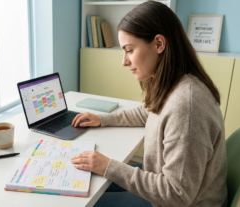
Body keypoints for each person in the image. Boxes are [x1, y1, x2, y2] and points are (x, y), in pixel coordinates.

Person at [71, 1, 228, 207]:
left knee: (86, 201)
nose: (124, 61)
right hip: (165, 183)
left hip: (177, 200)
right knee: (91, 183)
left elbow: (176, 194)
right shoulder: (175, 83)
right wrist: (102, 119)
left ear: (159, 44)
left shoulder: (186, 105)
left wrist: (109, 166)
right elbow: (148, 112)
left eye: (129, 50)